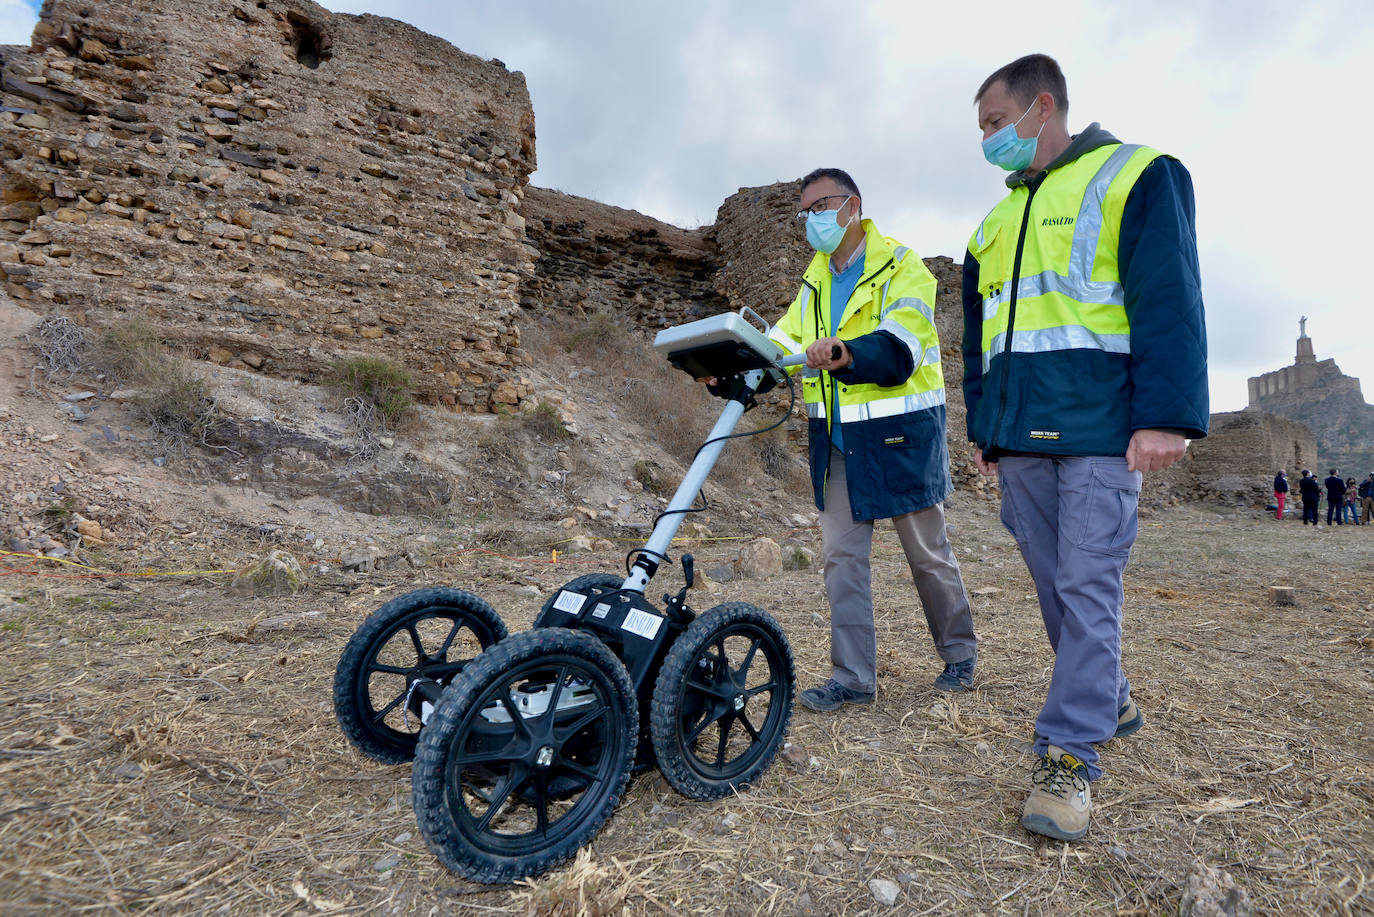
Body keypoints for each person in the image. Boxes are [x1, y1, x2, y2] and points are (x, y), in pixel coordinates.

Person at [962, 55, 1208, 842]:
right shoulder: (992, 225)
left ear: (1043, 106)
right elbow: (981, 340)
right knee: (1053, 584)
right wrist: (986, 431)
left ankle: (1068, 758)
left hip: (1103, 428)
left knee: (1087, 581)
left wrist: (1166, 414)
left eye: (996, 123)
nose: (989, 141)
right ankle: (1110, 692)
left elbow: (1168, 293)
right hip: (1021, 433)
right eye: (982, 131)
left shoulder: (1134, 174)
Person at [760, 167, 979, 713]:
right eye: (804, 211)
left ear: (852, 205)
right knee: (841, 561)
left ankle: (959, 654)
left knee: (928, 556)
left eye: (821, 206)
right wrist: (733, 364)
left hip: (900, 440)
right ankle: (853, 679)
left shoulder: (903, 267)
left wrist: (847, 353)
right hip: (838, 445)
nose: (812, 219)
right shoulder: (812, 284)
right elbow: (779, 343)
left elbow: (900, 344)